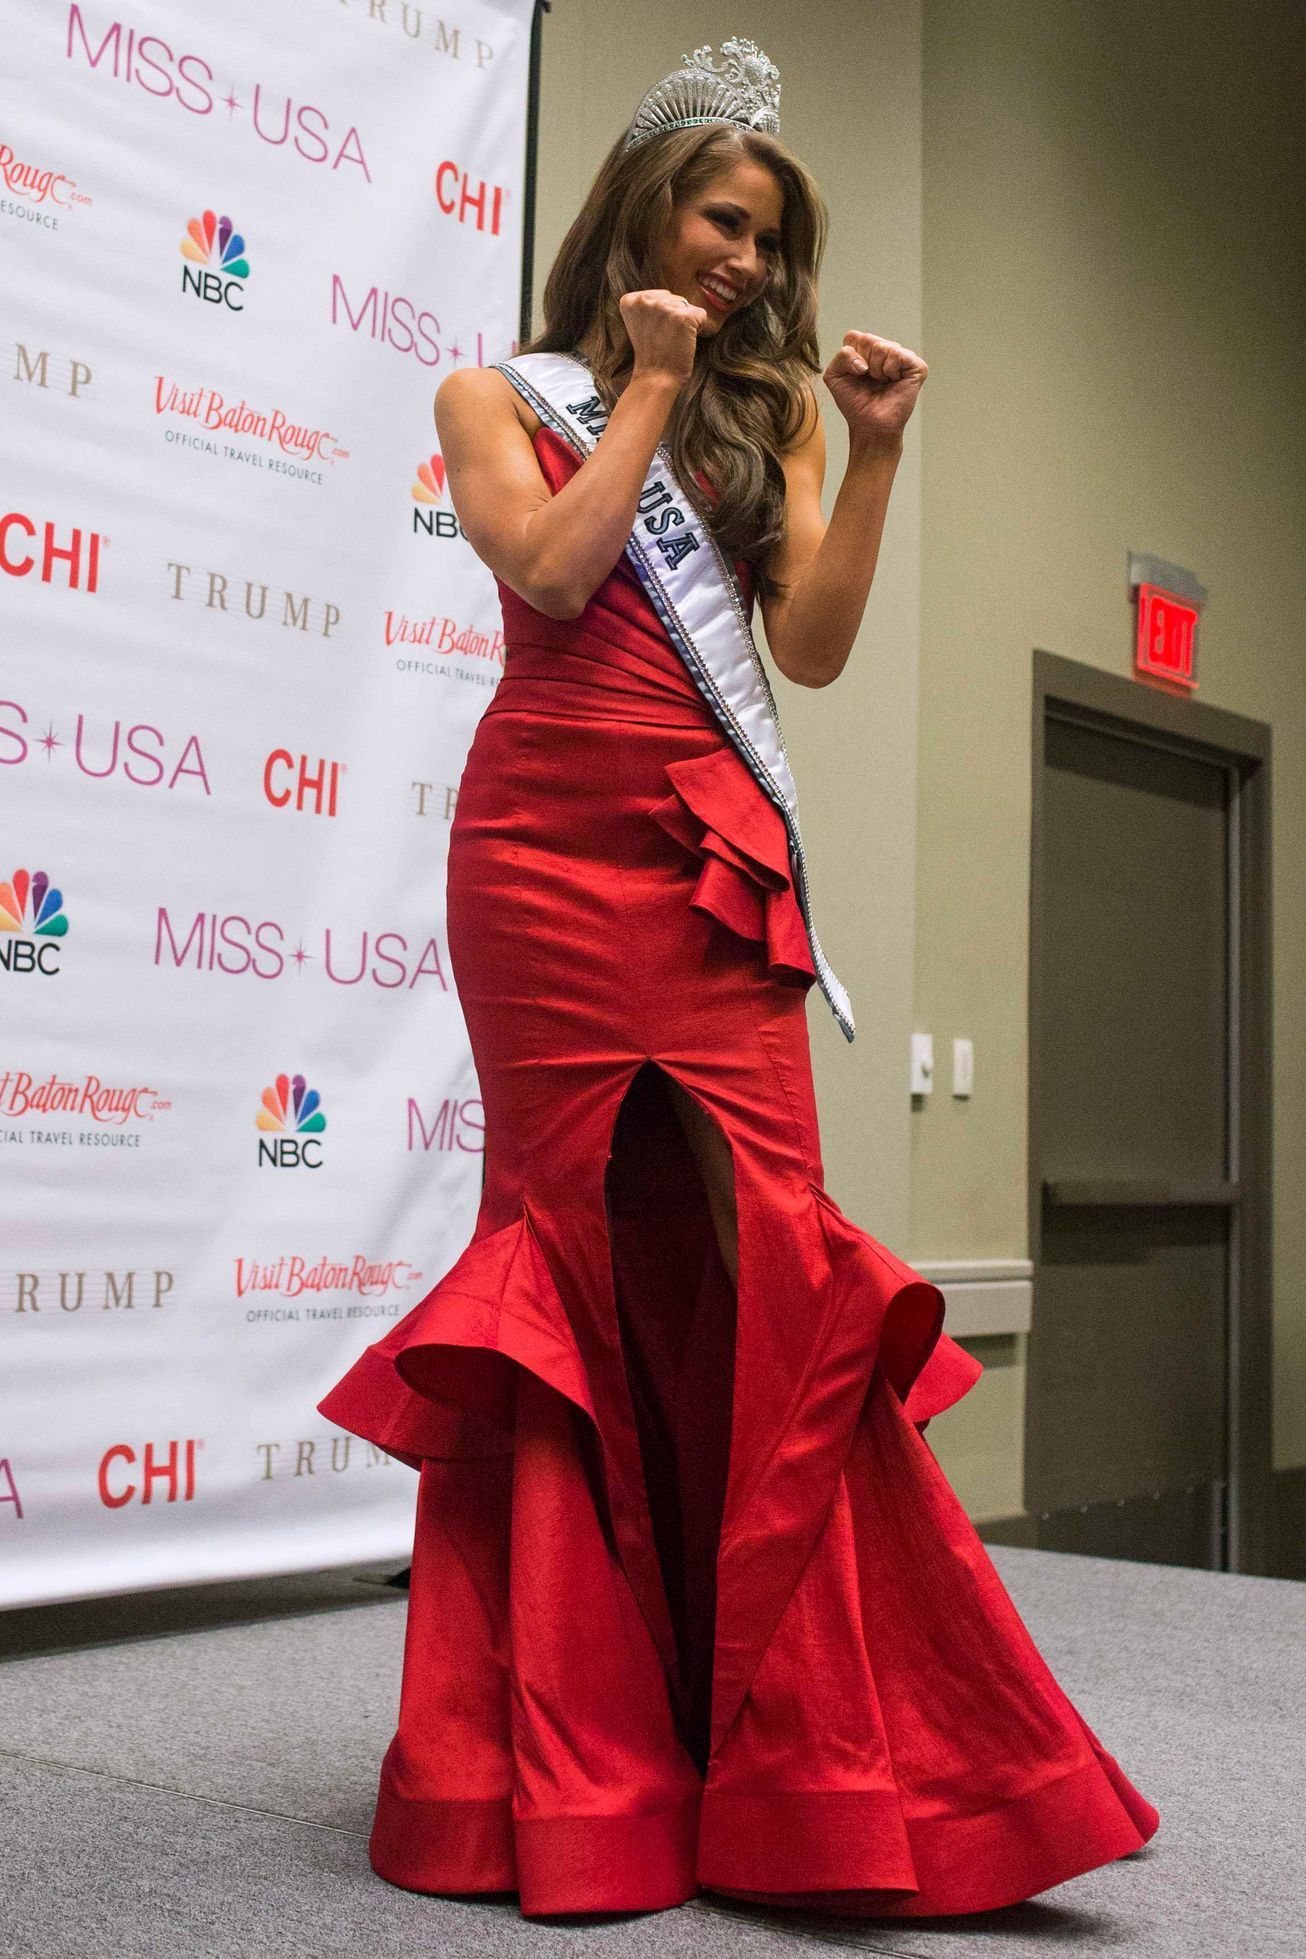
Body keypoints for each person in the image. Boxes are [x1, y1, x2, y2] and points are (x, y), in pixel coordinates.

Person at [319, 35, 1159, 1923]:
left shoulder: (768, 412)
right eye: (725, 223)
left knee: (769, 1252)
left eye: (771, 242)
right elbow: (542, 568)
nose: (752, 266)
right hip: (541, 859)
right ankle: (562, 1770)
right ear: (641, 210)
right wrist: (645, 390)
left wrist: (867, 453)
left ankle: (821, 1765)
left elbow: (822, 650)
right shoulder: (492, 394)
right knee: (570, 1254)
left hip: (713, 863)